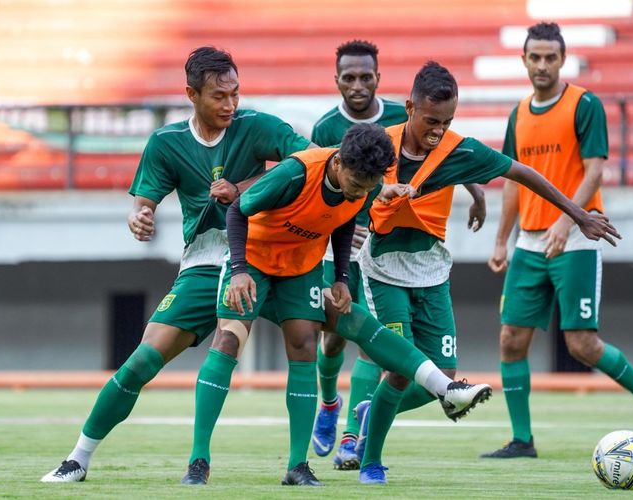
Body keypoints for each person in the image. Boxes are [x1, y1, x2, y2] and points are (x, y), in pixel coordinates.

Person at [40, 46, 313, 483]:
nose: (230, 104)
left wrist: (244, 186)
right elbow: (142, 202)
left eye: (235, 94)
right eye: (219, 96)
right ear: (191, 94)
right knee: (141, 361)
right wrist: (139, 217)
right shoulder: (167, 143)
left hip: (272, 253)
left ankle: (307, 459)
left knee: (314, 342)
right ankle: (78, 457)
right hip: (206, 260)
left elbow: (309, 161)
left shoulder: (258, 126)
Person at [352, 61, 620, 485]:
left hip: (431, 270)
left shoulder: (458, 148)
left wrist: (579, 214)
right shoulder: (378, 144)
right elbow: (337, 174)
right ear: (408, 108)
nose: (439, 130)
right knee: (401, 369)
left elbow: (523, 173)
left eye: (448, 121)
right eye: (431, 121)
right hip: (383, 269)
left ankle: (373, 410)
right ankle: (370, 461)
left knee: (444, 369)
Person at [181, 123, 493, 486]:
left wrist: (342, 277)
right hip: (252, 261)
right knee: (229, 341)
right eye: (357, 184)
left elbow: (345, 220)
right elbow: (237, 210)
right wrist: (237, 270)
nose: (361, 192)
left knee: (304, 346)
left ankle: (297, 466)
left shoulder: (366, 182)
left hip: (300, 269)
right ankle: (198, 461)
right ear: (339, 163)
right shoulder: (296, 172)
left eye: (368, 187)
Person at [481, 22, 633, 459]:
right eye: (535, 57)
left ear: (562, 59)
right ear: (524, 60)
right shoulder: (518, 114)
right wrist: (500, 240)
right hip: (530, 243)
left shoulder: (584, 104)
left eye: (551, 57)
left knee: (581, 344)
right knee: (511, 338)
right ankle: (521, 440)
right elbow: (512, 183)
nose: (543, 64)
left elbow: (595, 171)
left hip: (576, 240)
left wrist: (568, 222)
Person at [310, 39, 486, 471]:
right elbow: (316, 183)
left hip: (379, 243)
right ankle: (330, 403)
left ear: (378, 78)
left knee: (379, 351)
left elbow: (443, 154)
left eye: (365, 76)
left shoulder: (401, 117)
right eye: (348, 77)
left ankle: (353, 437)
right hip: (339, 242)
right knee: (334, 337)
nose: (357, 84)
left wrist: (475, 190)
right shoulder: (323, 129)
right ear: (337, 80)